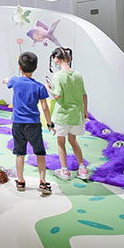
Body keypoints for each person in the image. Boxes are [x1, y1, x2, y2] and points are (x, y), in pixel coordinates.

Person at [2, 52, 54, 194]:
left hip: (17, 124)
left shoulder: (15, 81)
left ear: (19, 67)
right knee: (40, 153)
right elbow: (45, 107)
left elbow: (6, 81)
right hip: (34, 124)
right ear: (35, 67)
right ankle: (42, 182)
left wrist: (5, 80)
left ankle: (20, 181)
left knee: (20, 153)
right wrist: (50, 124)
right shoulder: (40, 87)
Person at [45, 47, 90, 182]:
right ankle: (82, 168)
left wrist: (48, 88)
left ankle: (64, 170)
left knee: (61, 142)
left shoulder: (57, 76)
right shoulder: (78, 75)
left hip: (62, 115)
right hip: (76, 114)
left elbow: (57, 95)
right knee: (73, 140)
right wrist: (85, 111)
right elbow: (84, 95)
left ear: (56, 59)